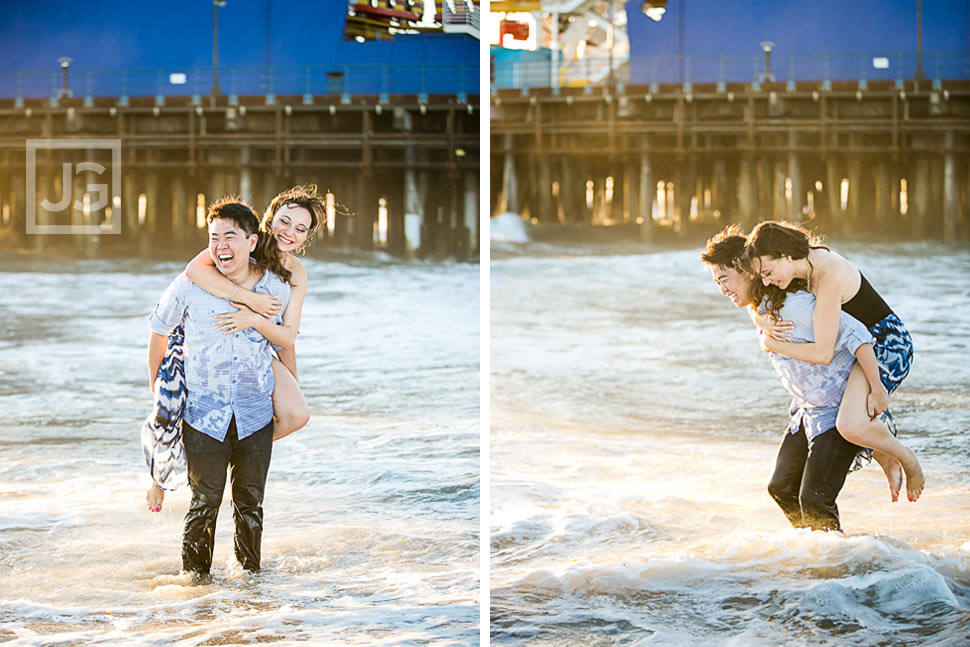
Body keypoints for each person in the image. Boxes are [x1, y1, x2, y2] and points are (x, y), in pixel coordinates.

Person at [146, 185, 326, 513]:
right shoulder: (240, 242)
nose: (289, 232)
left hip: (255, 347)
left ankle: (232, 451)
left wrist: (290, 379)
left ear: (306, 237)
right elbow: (194, 271)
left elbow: (287, 337)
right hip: (211, 342)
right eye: (284, 222)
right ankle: (165, 476)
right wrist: (251, 300)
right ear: (269, 220)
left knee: (297, 414)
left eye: (300, 229)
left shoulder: (296, 272)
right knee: (173, 411)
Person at [703, 226, 884, 531]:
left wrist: (877, 390)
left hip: (835, 410)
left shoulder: (796, 304)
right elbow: (755, 308)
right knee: (782, 488)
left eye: (723, 279)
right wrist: (760, 320)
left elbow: (857, 335)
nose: (721, 289)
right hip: (807, 410)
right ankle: (817, 553)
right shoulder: (765, 306)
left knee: (814, 499)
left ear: (747, 270)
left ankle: (837, 567)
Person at [147, 198, 291, 580]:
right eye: (214, 237)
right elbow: (159, 331)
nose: (221, 245)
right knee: (204, 502)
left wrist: (291, 392)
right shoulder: (189, 285)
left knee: (250, 503)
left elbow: (284, 343)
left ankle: (251, 585)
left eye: (230, 236)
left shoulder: (276, 288)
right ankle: (195, 586)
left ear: (252, 241)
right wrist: (159, 394)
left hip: (256, 412)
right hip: (202, 414)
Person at [737, 220, 923, 502]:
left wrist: (770, 342)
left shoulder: (827, 273)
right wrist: (760, 318)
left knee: (849, 425)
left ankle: (907, 457)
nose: (766, 281)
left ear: (785, 255)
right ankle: (883, 453)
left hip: (885, 343)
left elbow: (823, 353)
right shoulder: (796, 269)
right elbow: (756, 299)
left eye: (768, 272)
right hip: (852, 345)